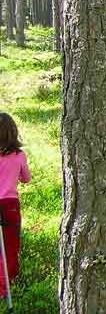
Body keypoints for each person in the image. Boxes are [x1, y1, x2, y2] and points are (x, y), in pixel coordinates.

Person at [0, 112, 31, 298]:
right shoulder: (19, 155)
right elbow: (26, 178)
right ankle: (6, 286)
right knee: (10, 245)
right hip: (10, 205)